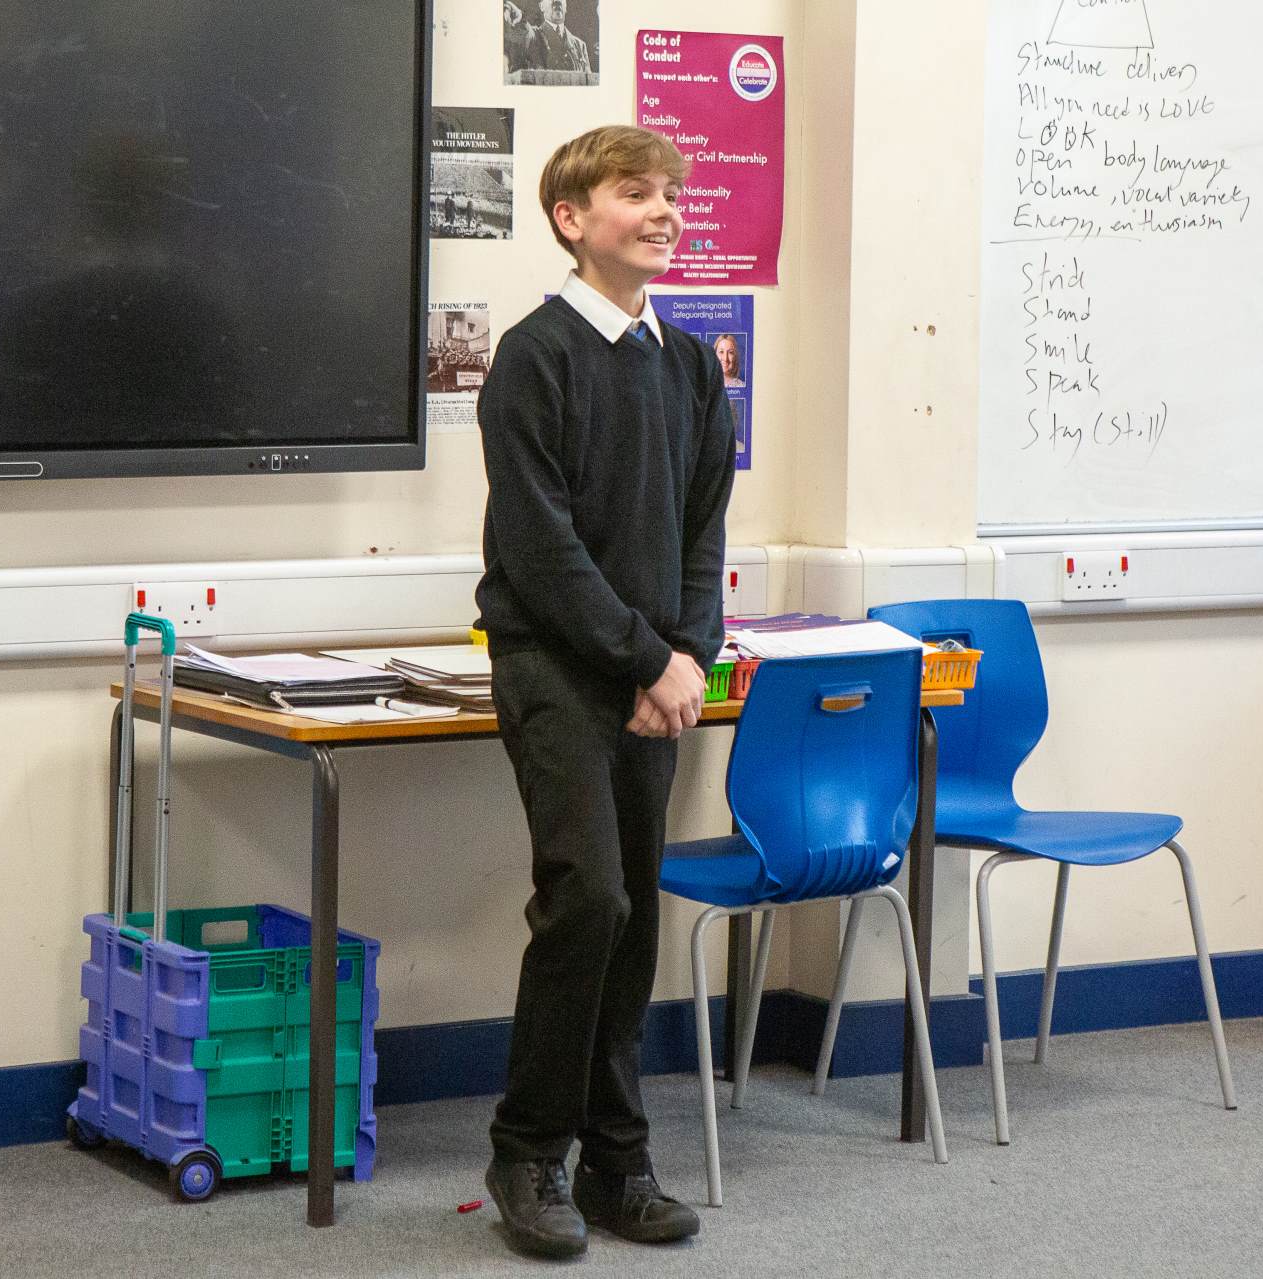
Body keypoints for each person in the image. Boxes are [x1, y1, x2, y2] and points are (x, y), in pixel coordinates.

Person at [474, 124, 735, 1260]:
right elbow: (542, 550)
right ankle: (528, 1151)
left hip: (652, 681)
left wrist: (686, 658)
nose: (664, 209)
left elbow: (702, 532)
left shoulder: (690, 366)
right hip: (556, 668)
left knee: (634, 920)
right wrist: (645, 659)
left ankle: (617, 1160)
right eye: (637, 192)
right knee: (589, 900)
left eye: (672, 192)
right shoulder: (535, 357)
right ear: (573, 219)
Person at [524, 0, 591, 75]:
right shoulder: (532, 37)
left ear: (566, 6)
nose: (557, 1)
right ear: (541, 6)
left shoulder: (580, 46)